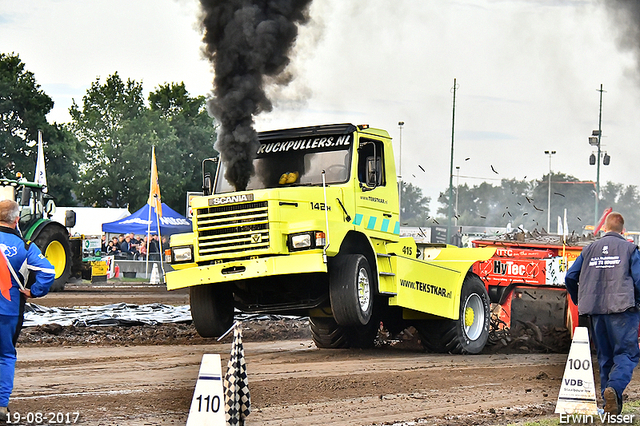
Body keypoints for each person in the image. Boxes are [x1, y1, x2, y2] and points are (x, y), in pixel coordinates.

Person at [565, 211, 640, 416]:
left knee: (605, 357)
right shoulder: (630, 249)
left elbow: (570, 277)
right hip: (623, 310)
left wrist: (579, 300)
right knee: (626, 354)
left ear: (604, 229)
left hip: (596, 311)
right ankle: (613, 389)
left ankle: (609, 406)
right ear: (623, 231)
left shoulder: (588, 250)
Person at [0, 200, 55, 421]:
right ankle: (2, 406)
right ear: (16, 220)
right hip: (9, 309)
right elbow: (47, 271)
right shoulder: (25, 246)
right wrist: (35, 291)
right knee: (5, 355)